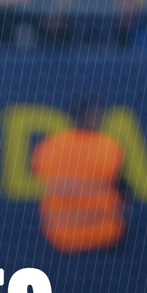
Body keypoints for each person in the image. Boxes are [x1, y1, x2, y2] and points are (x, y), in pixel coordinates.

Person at [32, 99, 126, 255]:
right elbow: (121, 188)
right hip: (105, 235)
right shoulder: (107, 147)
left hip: (61, 237)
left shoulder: (49, 146)